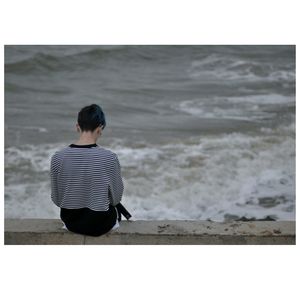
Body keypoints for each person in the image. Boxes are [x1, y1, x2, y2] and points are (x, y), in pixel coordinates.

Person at [50, 104, 125, 236]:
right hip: (102, 225)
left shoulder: (58, 157)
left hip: (71, 223)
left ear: (77, 126)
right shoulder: (110, 158)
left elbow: (57, 200)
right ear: (101, 128)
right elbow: (116, 199)